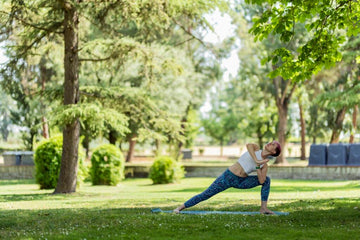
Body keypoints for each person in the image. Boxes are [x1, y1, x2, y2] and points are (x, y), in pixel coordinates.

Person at [173, 141, 281, 214]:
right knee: (206, 194)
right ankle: (180, 207)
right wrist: (257, 160)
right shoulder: (256, 148)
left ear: (274, 152)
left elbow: (261, 180)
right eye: (271, 142)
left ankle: (263, 208)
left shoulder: (264, 165)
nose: (269, 143)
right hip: (228, 177)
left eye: (273, 145)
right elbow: (248, 145)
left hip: (241, 181)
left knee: (267, 180)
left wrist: (258, 165)